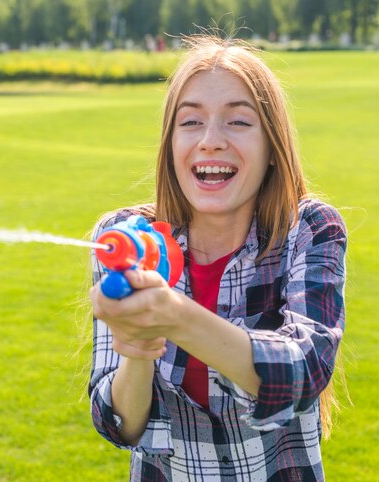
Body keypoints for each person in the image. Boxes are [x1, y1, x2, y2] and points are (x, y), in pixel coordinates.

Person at [88, 35, 346, 482]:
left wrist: (174, 318)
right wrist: (136, 349)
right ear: (170, 145)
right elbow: (119, 425)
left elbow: (305, 369)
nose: (210, 141)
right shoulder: (127, 239)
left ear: (272, 148)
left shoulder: (310, 229)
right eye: (191, 122)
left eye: (238, 122)